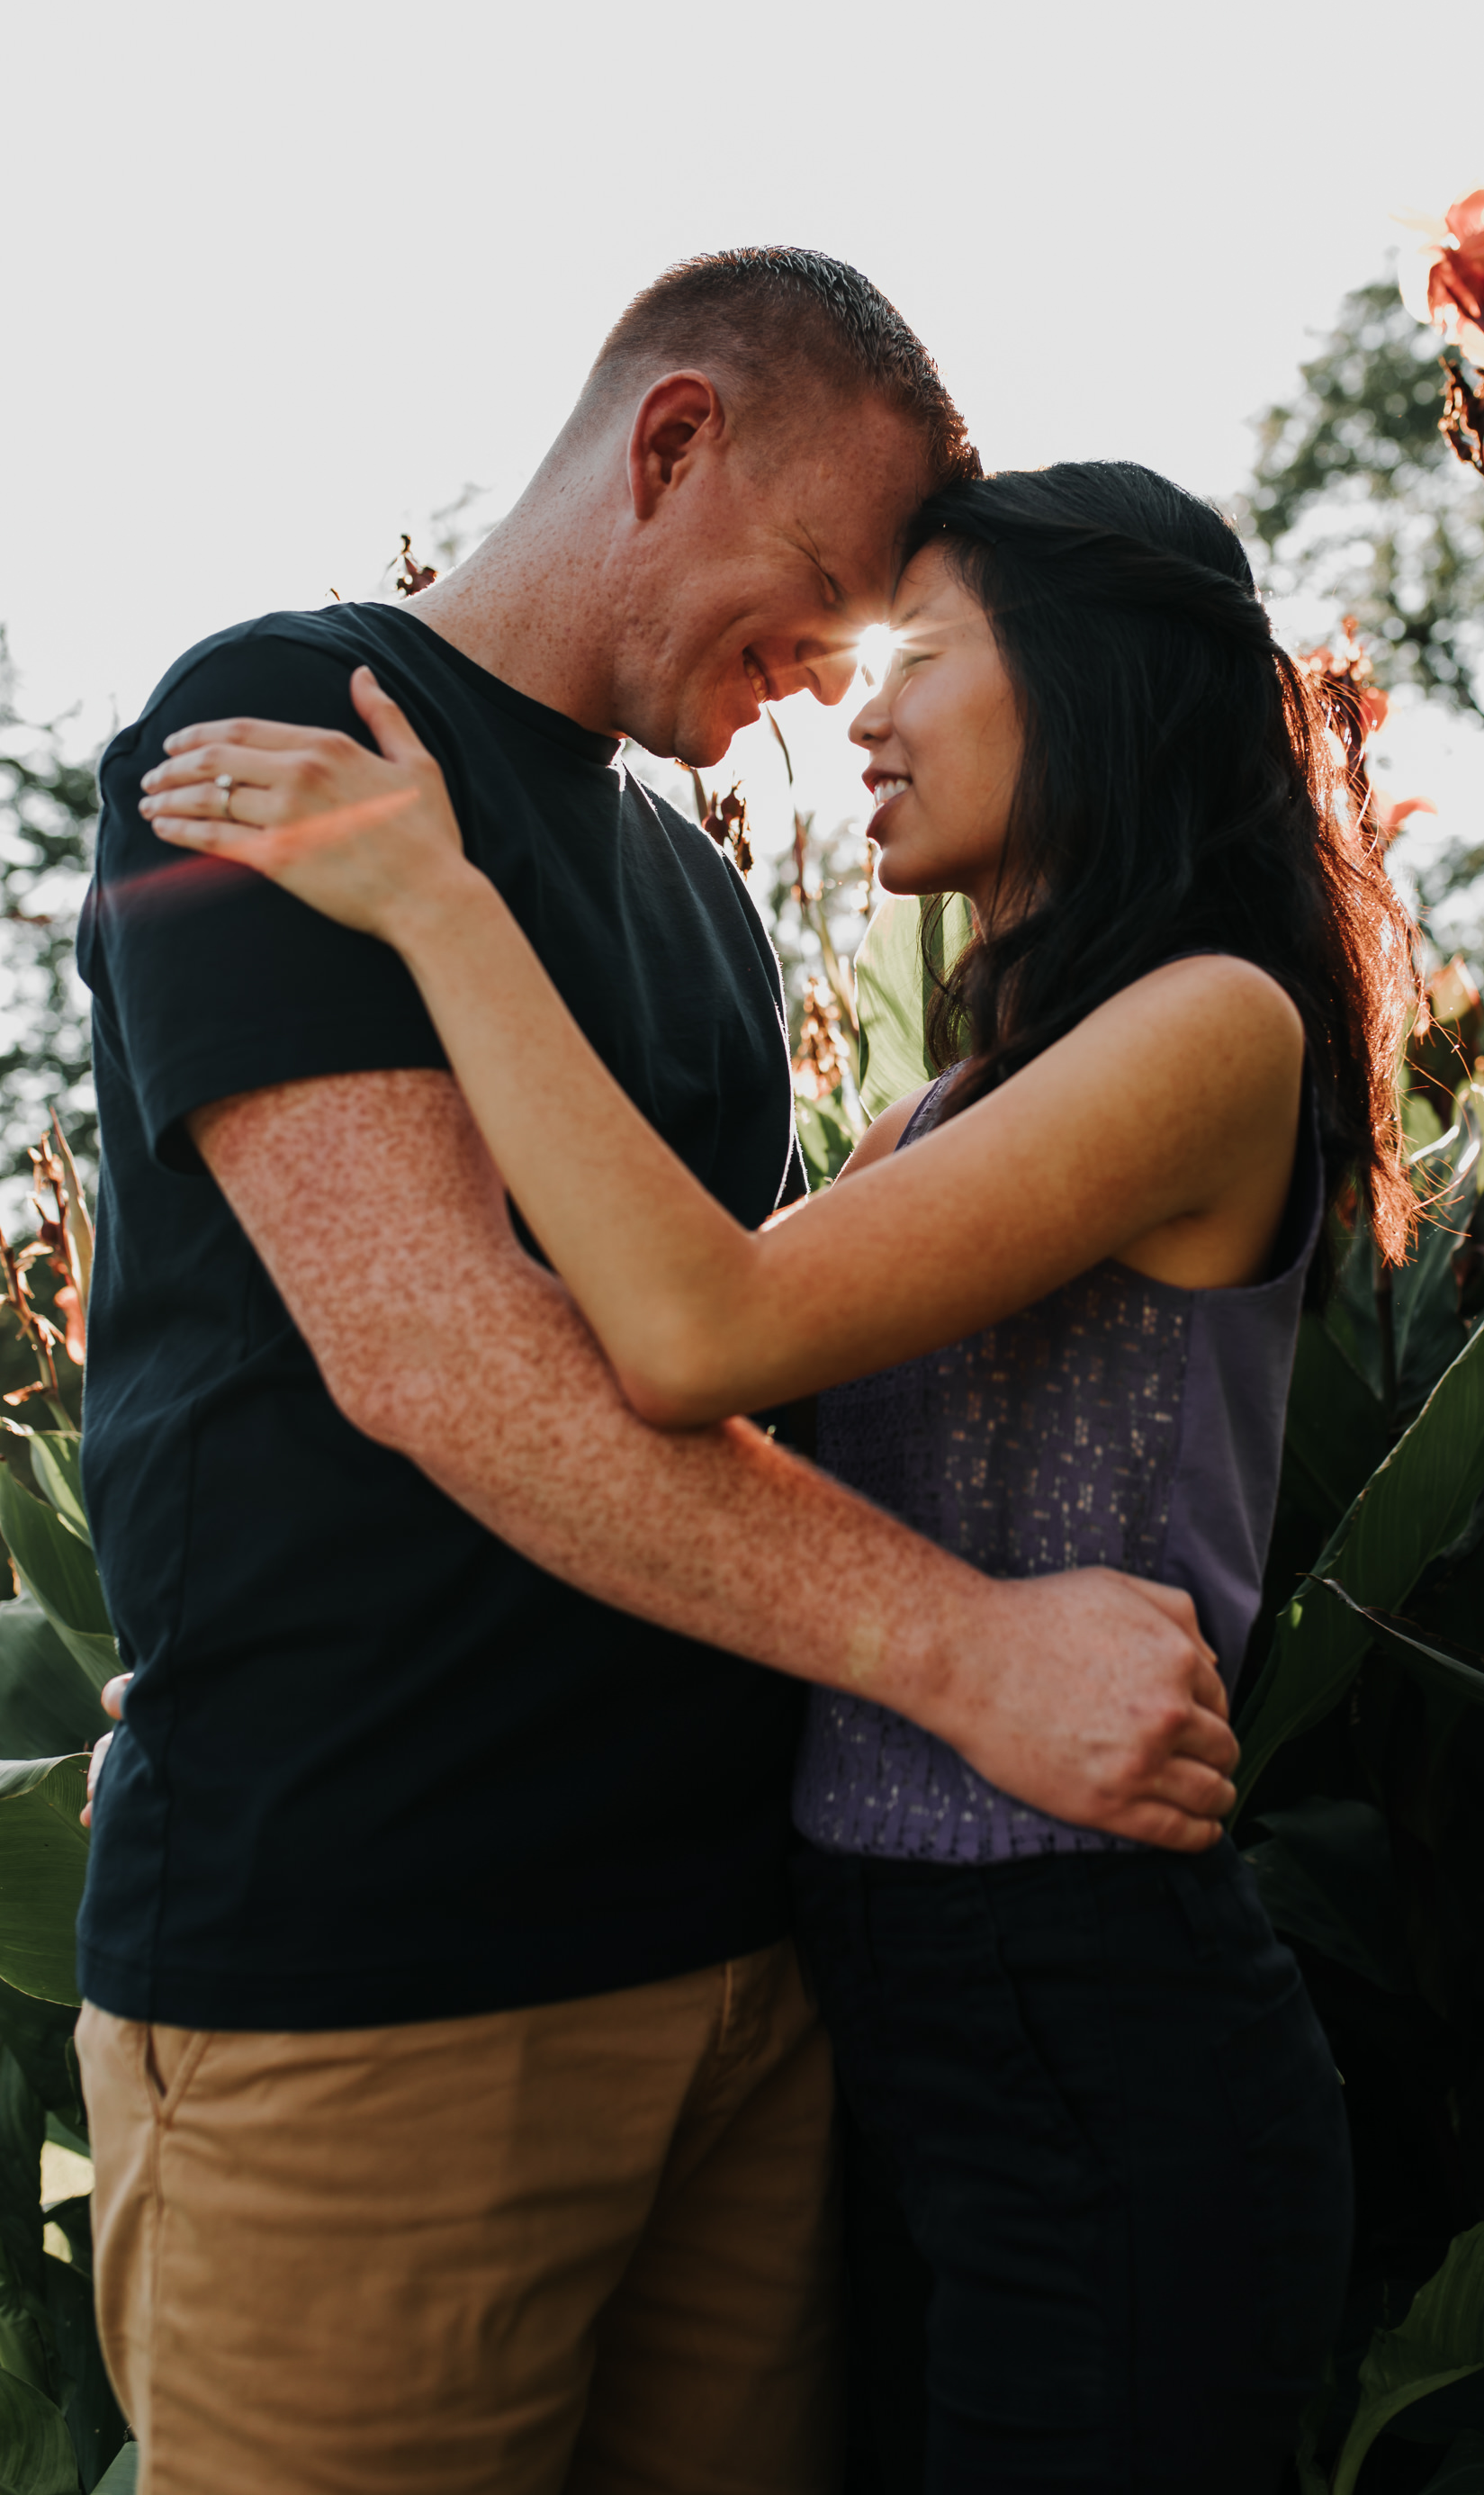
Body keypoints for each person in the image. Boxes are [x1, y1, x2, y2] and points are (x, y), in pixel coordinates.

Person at [76, 257, 1241, 2495]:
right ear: (671, 436)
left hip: (732, 1985)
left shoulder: (697, 910)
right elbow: (432, 1357)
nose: (820, 682)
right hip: (375, 1988)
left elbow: (726, 1366)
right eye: (817, 591)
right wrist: (962, 1651)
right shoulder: (280, 728)